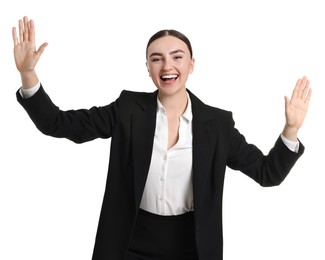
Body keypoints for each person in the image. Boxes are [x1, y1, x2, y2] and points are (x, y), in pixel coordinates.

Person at [12, 16, 312, 260]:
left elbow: (267, 173)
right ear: (148, 69)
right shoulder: (127, 109)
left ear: (191, 65)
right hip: (129, 242)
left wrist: (290, 131)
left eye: (177, 57)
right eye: (157, 59)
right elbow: (58, 123)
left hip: (191, 247)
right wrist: (28, 74)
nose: (167, 66)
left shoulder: (216, 125)